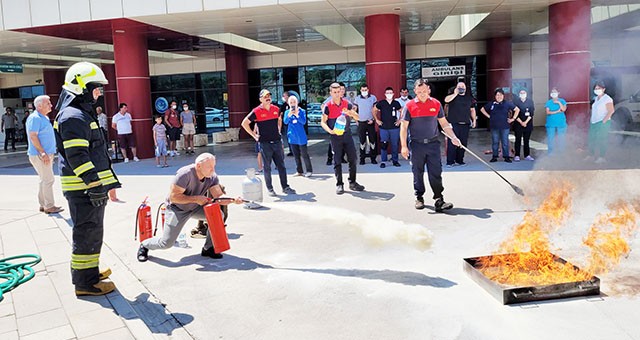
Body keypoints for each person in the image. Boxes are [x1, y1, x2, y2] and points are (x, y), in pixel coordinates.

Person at [54, 61, 121, 296]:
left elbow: (95, 153)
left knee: (91, 233)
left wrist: (108, 183)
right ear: (82, 87)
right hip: (84, 189)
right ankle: (85, 283)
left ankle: (89, 272)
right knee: (86, 234)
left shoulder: (79, 114)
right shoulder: (73, 116)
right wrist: (94, 185)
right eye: (96, 88)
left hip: (89, 188)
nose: (99, 93)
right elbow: (77, 156)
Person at [137, 153, 243, 262]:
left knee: (219, 215)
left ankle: (208, 248)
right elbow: (174, 198)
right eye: (209, 167)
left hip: (195, 207)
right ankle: (144, 245)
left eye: (214, 166)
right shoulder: (184, 174)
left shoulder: (212, 176)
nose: (212, 170)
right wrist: (196, 199)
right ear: (198, 166)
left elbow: (218, 197)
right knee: (167, 243)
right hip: (177, 209)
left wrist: (233, 200)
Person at [400, 79, 460, 211]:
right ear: (415, 91)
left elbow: (444, 123)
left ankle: (439, 199)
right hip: (416, 145)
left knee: (436, 172)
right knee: (418, 172)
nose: (422, 93)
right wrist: (404, 146)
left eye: (424, 91)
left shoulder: (436, 104)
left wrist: (453, 137)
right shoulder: (409, 106)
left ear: (429, 90)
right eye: (419, 91)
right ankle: (419, 197)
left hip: (433, 144)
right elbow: (404, 128)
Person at [241, 89, 296, 196]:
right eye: (265, 96)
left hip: (276, 142)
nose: (268, 97)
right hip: (265, 143)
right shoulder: (256, 111)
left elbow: (279, 119)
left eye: (269, 95)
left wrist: (279, 130)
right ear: (260, 99)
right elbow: (244, 123)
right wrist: (254, 135)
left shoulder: (276, 109)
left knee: (281, 166)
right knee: (267, 167)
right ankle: (270, 189)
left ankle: (285, 187)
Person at [321, 82, 365, 195]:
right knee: (337, 161)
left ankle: (353, 182)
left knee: (353, 158)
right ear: (330, 93)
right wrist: (330, 131)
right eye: (334, 92)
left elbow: (358, 117)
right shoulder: (328, 106)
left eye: (338, 92)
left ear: (341, 92)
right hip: (335, 136)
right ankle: (339, 184)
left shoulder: (346, 103)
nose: (336, 94)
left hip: (347, 135)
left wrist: (350, 112)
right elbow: (323, 122)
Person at [26, 95, 63, 214]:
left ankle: (43, 204)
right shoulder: (35, 118)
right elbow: (33, 136)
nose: (51, 105)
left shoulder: (43, 118)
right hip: (40, 154)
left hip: (45, 154)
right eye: (48, 103)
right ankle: (49, 206)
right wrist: (42, 152)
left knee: (44, 179)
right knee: (48, 179)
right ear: (40, 105)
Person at [481, 88, 519, 163]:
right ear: (495, 96)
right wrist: (489, 116)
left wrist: (513, 119)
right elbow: (482, 109)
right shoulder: (492, 103)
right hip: (494, 127)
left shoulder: (507, 103)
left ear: (503, 96)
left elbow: (517, 109)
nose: (499, 96)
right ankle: (495, 156)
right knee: (495, 142)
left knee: (505, 142)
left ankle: (506, 157)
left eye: (501, 95)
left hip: (505, 127)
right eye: (497, 95)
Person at [444, 81, 476, 167]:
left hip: (465, 123)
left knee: (463, 143)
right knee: (452, 142)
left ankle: (460, 160)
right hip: (453, 123)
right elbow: (446, 100)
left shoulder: (469, 98)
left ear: (465, 88)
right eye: (459, 86)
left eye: (462, 86)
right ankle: (450, 161)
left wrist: (474, 121)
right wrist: (455, 94)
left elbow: (472, 110)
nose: (461, 88)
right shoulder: (452, 97)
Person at [283, 95, 313, 177]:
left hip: (301, 136)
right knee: (296, 155)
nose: (293, 104)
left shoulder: (301, 111)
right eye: (291, 102)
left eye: (294, 102)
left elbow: (303, 122)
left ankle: (309, 170)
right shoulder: (287, 112)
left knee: (304, 154)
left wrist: (297, 115)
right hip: (292, 136)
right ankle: (299, 171)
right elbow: (285, 122)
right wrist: (289, 114)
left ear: (297, 103)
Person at [374, 87, 403, 168]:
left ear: (393, 94)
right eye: (387, 93)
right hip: (384, 127)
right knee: (384, 144)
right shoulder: (382, 103)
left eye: (390, 93)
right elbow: (374, 110)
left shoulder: (396, 103)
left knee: (395, 145)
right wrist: (377, 120)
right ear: (385, 94)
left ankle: (395, 161)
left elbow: (402, 111)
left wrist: (400, 120)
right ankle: (383, 161)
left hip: (394, 127)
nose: (389, 94)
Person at [587, 81, 615, 164]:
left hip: (602, 122)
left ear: (604, 89)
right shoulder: (596, 98)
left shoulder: (607, 99)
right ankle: (591, 155)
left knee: (602, 139)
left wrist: (604, 121)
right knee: (591, 138)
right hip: (594, 122)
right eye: (595, 88)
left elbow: (611, 110)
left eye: (599, 88)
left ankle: (602, 157)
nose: (597, 90)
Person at [323, 82, 348, 165]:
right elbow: (323, 106)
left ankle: (342, 158)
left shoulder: (346, 100)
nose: (341, 91)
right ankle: (330, 159)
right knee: (332, 144)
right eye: (341, 89)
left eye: (343, 90)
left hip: (343, 125)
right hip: (334, 125)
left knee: (344, 142)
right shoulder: (330, 100)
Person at [353, 84, 378, 165]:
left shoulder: (373, 98)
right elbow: (354, 110)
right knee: (362, 141)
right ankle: (362, 158)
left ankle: (373, 158)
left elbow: (375, 110)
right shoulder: (357, 99)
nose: (364, 91)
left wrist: (374, 119)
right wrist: (356, 120)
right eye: (363, 90)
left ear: (368, 90)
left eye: (365, 90)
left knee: (372, 141)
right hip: (361, 122)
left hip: (370, 122)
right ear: (360, 90)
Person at [513, 89, 535, 161]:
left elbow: (531, 113)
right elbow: (514, 114)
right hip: (518, 124)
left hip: (527, 124)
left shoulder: (530, 102)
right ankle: (517, 155)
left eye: (524, 93)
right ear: (519, 94)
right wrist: (521, 122)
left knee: (526, 140)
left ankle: (527, 155)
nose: (522, 94)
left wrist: (525, 122)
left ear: (526, 94)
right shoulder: (516, 102)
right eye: (521, 93)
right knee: (518, 140)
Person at [544, 87, 567, 156]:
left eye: (555, 92)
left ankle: (561, 153)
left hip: (561, 123)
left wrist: (558, 102)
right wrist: (557, 111)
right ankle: (551, 153)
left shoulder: (562, 101)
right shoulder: (548, 102)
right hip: (551, 123)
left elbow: (563, 109)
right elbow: (548, 112)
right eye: (552, 92)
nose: (554, 93)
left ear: (558, 93)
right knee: (551, 138)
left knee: (561, 138)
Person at [279, 91, 292, 156]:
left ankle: (296, 150)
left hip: (293, 123)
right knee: (288, 136)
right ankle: (291, 150)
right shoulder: (284, 105)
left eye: (284, 96)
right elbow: (281, 114)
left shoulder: (292, 104)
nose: (283, 97)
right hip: (286, 123)